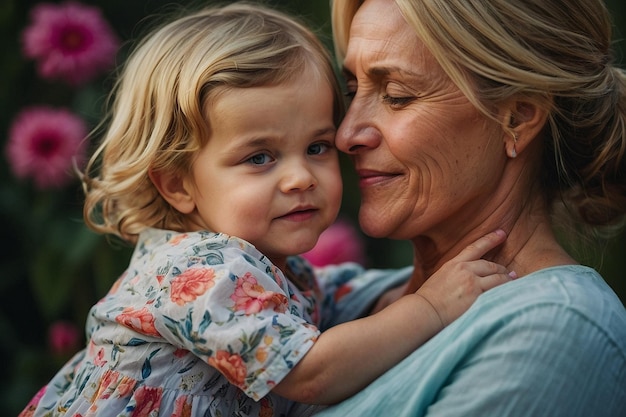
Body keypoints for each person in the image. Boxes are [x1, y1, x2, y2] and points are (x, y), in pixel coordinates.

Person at [18, 3, 516, 417]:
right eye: (260, 157)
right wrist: (432, 306)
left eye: (318, 146)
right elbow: (311, 371)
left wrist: (434, 270)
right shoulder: (201, 274)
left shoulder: (265, 265)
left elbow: (345, 303)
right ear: (177, 184)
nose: (301, 177)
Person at [314, 0, 626, 415]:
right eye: (352, 91)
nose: (346, 134)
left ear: (516, 118)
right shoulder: (328, 297)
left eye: (396, 96)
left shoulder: (554, 329)